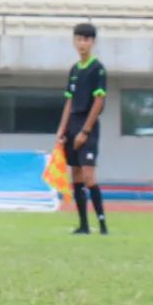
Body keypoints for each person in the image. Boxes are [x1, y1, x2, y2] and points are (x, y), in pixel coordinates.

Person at [55, 23, 109, 235]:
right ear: (74, 41)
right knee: (75, 175)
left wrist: (85, 131)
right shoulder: (74, 70)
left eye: (86, 39)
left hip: (88, 126)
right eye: (79, 39)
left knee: (89, 176)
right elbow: (69, 102)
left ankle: (103, 225)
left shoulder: (98, 69)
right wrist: (62, 130)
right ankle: (84, 225)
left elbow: (99, 101)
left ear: (93, 42)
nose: (82, 43)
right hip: (72, 125)